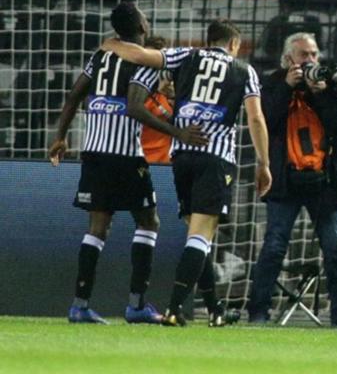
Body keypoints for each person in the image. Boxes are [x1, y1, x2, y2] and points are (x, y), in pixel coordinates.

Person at [101, 20, 272, 326]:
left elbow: (141, 56)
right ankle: (174, 308)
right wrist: (264, 163)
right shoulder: (244, 70)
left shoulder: (186, 56)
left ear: (209, 40)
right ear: (234, 45)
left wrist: (112, 44)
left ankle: (214, 310)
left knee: (197, 234)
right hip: (215, 157)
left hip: (181, 157)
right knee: (201, 237)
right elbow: (256, 118)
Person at [48, 2, 206, 325]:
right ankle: (136, 305)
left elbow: (74, 95)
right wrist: (178, 132)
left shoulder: (100, 56)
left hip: (93, 152)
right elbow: (134, 107)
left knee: (97, 228)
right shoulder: (142, 60)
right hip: (124, 155)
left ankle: (79, 305)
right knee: (149, 222)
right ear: (142, 26)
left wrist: (60, 137)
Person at [246, 32, 337, 326]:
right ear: (288, 59)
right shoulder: (272, 83)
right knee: (274, 247)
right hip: (285, 180)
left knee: (336, 250)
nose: (310, 60)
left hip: (325, 181)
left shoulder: (330, 83)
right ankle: (258, 313)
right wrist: (287, 87)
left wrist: (323, 93)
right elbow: (265, 121)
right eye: (303, 55)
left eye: (313, 54)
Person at [140, 36, 175, 164]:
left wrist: (174, 97)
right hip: (135, 159)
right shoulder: (133, 91)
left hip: (163, 163)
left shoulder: (171, 91)